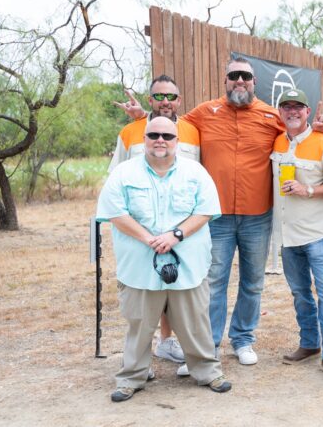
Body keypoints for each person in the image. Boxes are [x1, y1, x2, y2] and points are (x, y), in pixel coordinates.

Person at [117, 57, 323, 370]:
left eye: (245, 76)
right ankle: (210, 345)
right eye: (234, 76)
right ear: (226, 81)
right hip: (215, 216)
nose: (240, 81)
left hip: (257, 215)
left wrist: (317, 131)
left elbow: (296, 134)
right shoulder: (204, 112)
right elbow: (168, 125)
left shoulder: (271, 116)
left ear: (254, 82)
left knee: (253, 282)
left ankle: (243, 339)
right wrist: (141, 118)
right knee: (213, 282)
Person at [96, 116, 231, 402]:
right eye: (154, 135)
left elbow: (205, 210)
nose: (160, 140)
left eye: (167, 136)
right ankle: (132, 377)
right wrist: (150, 239)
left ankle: (207, 371)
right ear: (144, 139)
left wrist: (175, 235)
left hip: (188, 265)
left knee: (195, 323)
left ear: (177, 141)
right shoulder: (123, 173)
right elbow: (115, 213)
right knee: (139, 325)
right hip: (140, 266)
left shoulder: (195, 172)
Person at [108, 74, 200, 368]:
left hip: (180, 227)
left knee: (174, 285)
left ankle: (168, 341)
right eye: (159, 96)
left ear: (179, 100)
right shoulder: (131, 131)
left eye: (170, 96)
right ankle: (140, 357)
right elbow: (115, 177)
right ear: (150, 100)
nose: (165, 101)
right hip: (141, 229)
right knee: (143, 291)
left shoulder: (192, 131)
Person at [270, 89, 323, 380]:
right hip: (287, 234)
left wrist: (308, 189)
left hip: (316, 233)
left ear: (307, 112)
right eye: (286, 107)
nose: (292, 112)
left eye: (298, 107)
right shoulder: (278, 141)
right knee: (300, 293)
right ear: (280, 112)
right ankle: (309, 343)